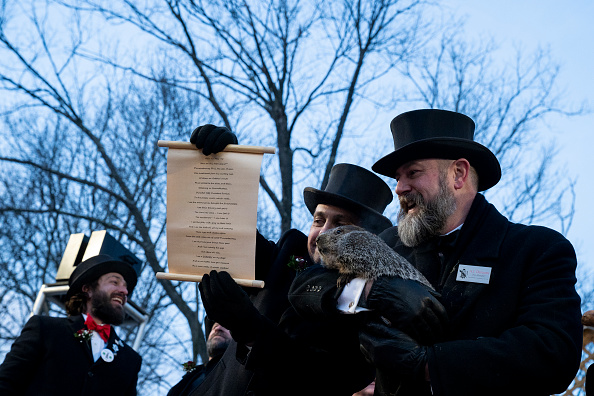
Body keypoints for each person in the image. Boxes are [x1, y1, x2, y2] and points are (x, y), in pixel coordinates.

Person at [288, 108, 583, 395]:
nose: (400, 188)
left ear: (458, 173)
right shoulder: (389, 242)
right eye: (398, 178)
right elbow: (305, 287)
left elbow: (552, 352)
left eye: (413, 173)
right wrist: (370, 291)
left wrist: (428, 364)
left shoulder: (534, 249)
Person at [188, 124, 443, 395]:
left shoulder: (371, 306)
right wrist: (222, 167)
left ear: (366, 238)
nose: (323, 233)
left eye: (340, 225)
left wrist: (251, 329)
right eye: (318, 220)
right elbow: (225, 235)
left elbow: (318, 377)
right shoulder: (287, 253)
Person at [0, 254, 142, 396]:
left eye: (125, 287)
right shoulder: (46, 329)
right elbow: (5, 383)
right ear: (88, 289)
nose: (124, 291)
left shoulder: (130, 360)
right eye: (115, 282)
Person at [167, 319, 232, 396]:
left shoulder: (241, 371)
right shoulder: (186, 382)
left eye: (226, 326)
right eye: (214, 327)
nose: (217, 328)